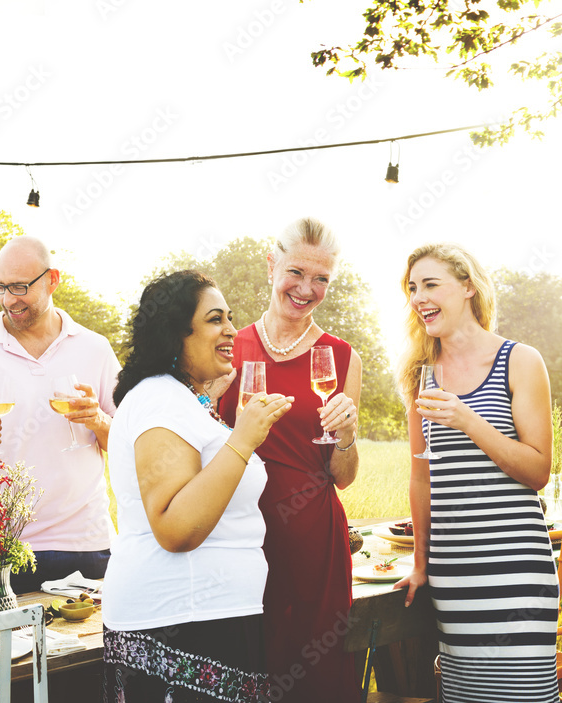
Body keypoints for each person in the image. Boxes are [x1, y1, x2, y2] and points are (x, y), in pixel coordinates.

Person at [103, 270, 291, 703]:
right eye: (214, 319)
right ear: (176, 333)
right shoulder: (157, 400)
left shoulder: (182, 399)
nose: (231, 330)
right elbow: (175, 527)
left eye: (230, 317)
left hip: (210, 617)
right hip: (179, 622)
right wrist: (243, 439)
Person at [395, 243, 559, 703]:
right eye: (412, 288)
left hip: (515, 567)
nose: (418, 298)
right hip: (455, 573)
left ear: (467, 286)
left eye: (430, 284)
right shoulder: (420, 375)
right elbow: (420, 478)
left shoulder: (520, 360)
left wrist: (467, 419)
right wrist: (422, 564)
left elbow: (537, 470)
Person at [218, 217, 361, 703]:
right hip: (235, 539)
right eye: (296, 272)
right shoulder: (226, 349)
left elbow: (343, 478)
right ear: (271, 262)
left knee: (312, 681)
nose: (306, 289)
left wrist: (346, 437)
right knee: (244, 669)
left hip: (313, 545)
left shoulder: (342, 358)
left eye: (322, 278)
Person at [0, 236, 121, 593]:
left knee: (94, 648)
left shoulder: (96, 348)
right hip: (8, 550)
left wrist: (98, 420)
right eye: (1, 287)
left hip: (89, 543)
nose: (9, 300)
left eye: (21, 287)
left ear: (53, 279)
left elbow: (129, 443)